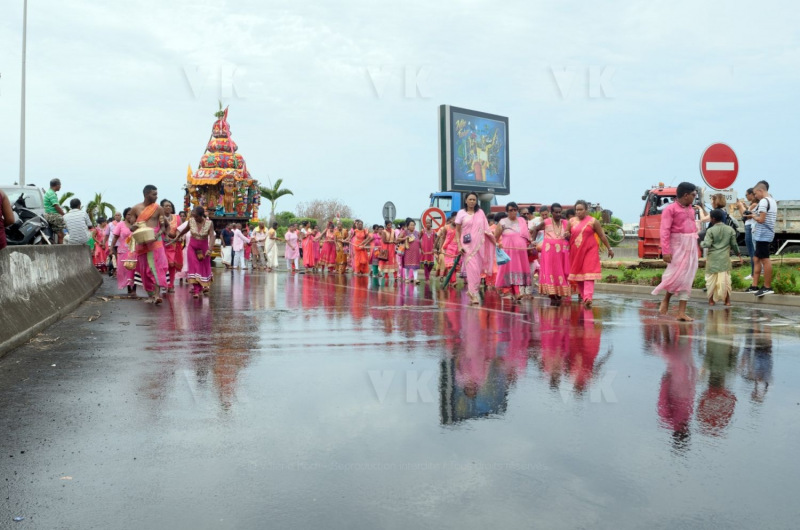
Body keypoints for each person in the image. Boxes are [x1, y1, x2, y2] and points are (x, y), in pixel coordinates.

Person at [652, 182, 699, 321]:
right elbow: (664, 231)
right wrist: (665, 251)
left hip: (690, 246)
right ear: (686, 195)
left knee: (687, 277)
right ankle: (666, 299)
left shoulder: (691, 209)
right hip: (677, 246)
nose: (694, 198)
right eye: (693, 195)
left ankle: (681, 312)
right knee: (675, 275)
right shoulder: (670, 209)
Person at [568, 200, 614, 308]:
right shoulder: (571, 221)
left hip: (590, 250)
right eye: (577, 210)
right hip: (576, 251)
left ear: (586, 210)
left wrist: (609, 248)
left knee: (589, 273)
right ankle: (585, 297)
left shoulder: (593, 221)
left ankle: (588, 297)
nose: (578, 212)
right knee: (578, 275)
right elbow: (567, 235)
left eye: (581, 209)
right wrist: (566, 235)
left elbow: (602, 236)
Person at [129, 185, 169, 305]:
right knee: (144, 270)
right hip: (142, 243)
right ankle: (151, 295)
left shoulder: (158, 209)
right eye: (154, 194)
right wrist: (135, 226)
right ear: (146, 194)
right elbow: (131, 227)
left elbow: (163, 226)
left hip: (155, 242)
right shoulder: (135, 209)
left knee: (156, 268)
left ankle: (157, 295)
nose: (156, 197)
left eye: (156, 194)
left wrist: (159, 234)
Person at [455, 192, 496, 305]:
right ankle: (474, 295)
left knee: (477, 271)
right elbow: (458, 231)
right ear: (466, 201)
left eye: (474, 199)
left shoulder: (480, 213)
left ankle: (472, 291)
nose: (472, 201)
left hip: (479, 246)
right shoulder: (461, 213)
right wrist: (459, 245)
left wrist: (493, 239)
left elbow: (486, 229)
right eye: (470, 199)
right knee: (472, 270)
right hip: (467, 247)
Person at [701, 209, 743, 306]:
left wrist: (700, 242)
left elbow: (707, 244)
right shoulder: (730, 230)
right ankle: (727, 301)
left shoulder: (710, 230)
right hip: (724, 259)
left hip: (712, 259)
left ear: (713, 219)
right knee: (726, 281)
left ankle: (711, 301)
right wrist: (739, 255)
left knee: (711, 281)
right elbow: (734, 245)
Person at [531, 203, 572, 302]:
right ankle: (552, 293)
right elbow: (535, 229)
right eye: (556, 212)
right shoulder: (546, 222)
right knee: (550, 271)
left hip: (562, 252)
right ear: (552, 213)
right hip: (549, 252)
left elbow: (570, 236)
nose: (558, 214)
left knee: (561, 270)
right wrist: (533, 241)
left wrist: (568, 236)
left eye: (559, 212)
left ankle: (560, 292)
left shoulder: (565, 223)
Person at [171, 206, 215, 299]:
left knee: (202, 267)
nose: (195, 218)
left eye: (197, 217)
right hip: (192, 247)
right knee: (194, 267)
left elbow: (212, 236)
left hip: (204, 248)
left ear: (201, 215)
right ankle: (196, 290)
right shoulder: (191, 221)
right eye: (194, 217)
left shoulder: (209, 223)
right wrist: (177, 237)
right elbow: (185, 230)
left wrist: (209, 249)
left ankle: (202, 287)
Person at [494, 202, 531, 303]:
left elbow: (527, 236)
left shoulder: (522, 221)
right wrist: (497, 245)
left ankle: (515, 292)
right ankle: (515, 291)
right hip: (508, 251)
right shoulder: (502, 222)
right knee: (511, 270)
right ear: (507, 212)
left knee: (518, 270)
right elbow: (495, 238)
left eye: (515, 210)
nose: (513, 212)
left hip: (521, 252)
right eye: (511, 210)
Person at [750, 182, 776, 297]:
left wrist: (752, 216)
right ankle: (754, 286)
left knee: (765, 259)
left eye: (755, 193)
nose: (755, 196)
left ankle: (767, 287)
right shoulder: (772, 200)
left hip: (763, 234)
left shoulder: (764, 201)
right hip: (766, 234)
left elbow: (761, 219)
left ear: (760, 191)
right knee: (756, 258)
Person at [108, 208, 138, 297]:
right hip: (123, 251)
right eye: (129, 214)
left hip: (135, 250)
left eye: (132, 215)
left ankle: (134, 289)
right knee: (125, 270)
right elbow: (115, 237)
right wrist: (111, 249)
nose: (130, 216)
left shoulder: (137, 225)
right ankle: (128, 287)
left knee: (135, 269)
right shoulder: (121, 224)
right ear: (125, 215)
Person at [736, 188, 758, 281]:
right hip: (750, 227)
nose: (746, 197)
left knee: (752, 252)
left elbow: (745, 217)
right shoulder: (753, 205)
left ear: (751, 195)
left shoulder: (754, 205)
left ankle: (754, 274)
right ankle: (754, 273)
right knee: (753, 252)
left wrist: (741, 207)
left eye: (746, 195)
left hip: (749, 227)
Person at [160, 200, 182, 293]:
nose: (168, 207)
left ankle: (171, 285)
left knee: (172, 265)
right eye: (166, 206)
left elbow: (179, 229)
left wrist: (178, 237)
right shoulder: (159, 218)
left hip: (173, 244)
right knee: (163, 264)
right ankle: (164, 283)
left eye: (170, 206)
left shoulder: (176, 217)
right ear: (161, 207)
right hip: (161, 243)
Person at [43, 178, 66, 244]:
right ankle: (62, 250)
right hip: (52, 215)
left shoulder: (49, 192)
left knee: (60, 234)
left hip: (49, 215)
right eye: (60, 185)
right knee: (62, 233)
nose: (60, 187)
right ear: (57, 185)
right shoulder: (52, 194)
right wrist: (64, 214)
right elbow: (56, 206)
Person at [398, 218, 421, 283]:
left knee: (415, 266)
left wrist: (421, 249)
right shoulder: (405, 232)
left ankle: (416, 279)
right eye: (411, 225)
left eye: (413, 225)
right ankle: (407, 278)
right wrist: (405, 238)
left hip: (416, 251)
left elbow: (420, 241)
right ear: (408, 226)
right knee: (407, 265)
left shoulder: (417, 233)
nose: (412, 226)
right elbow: (398, 239)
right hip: (407, 251)